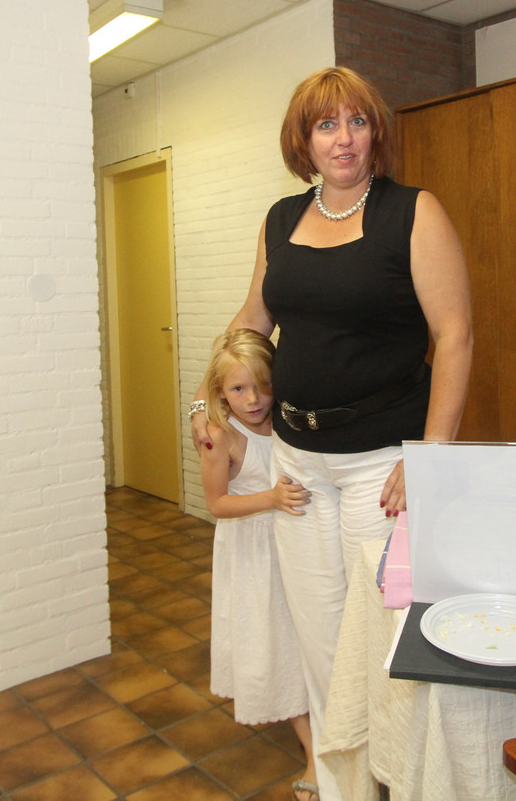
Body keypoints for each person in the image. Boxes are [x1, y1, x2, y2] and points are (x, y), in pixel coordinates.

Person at [189, 66, 473, 801]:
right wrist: (204, 400)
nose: (342, 138)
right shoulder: (280, 220)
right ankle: (345, 786)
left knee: (379, 637)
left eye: (356, 121)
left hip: (381, 465)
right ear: (304, 141)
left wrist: (430, 457)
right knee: (318, 637)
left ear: (375, 132)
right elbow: (253, 320)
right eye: (325, 125)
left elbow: (455, 336)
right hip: (297, 462)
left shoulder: (412, 213)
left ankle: (402, 780)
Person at [198, 329, 316, 797]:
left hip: (296, 544)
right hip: (254, 554)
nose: (253, 400)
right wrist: (270, 498)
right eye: (238, 388)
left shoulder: (287, 422)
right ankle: (314, 755)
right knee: (279, 646)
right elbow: (217, 504)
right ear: (219, 391)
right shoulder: (220, 436)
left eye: (263, 386)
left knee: (310, 641)